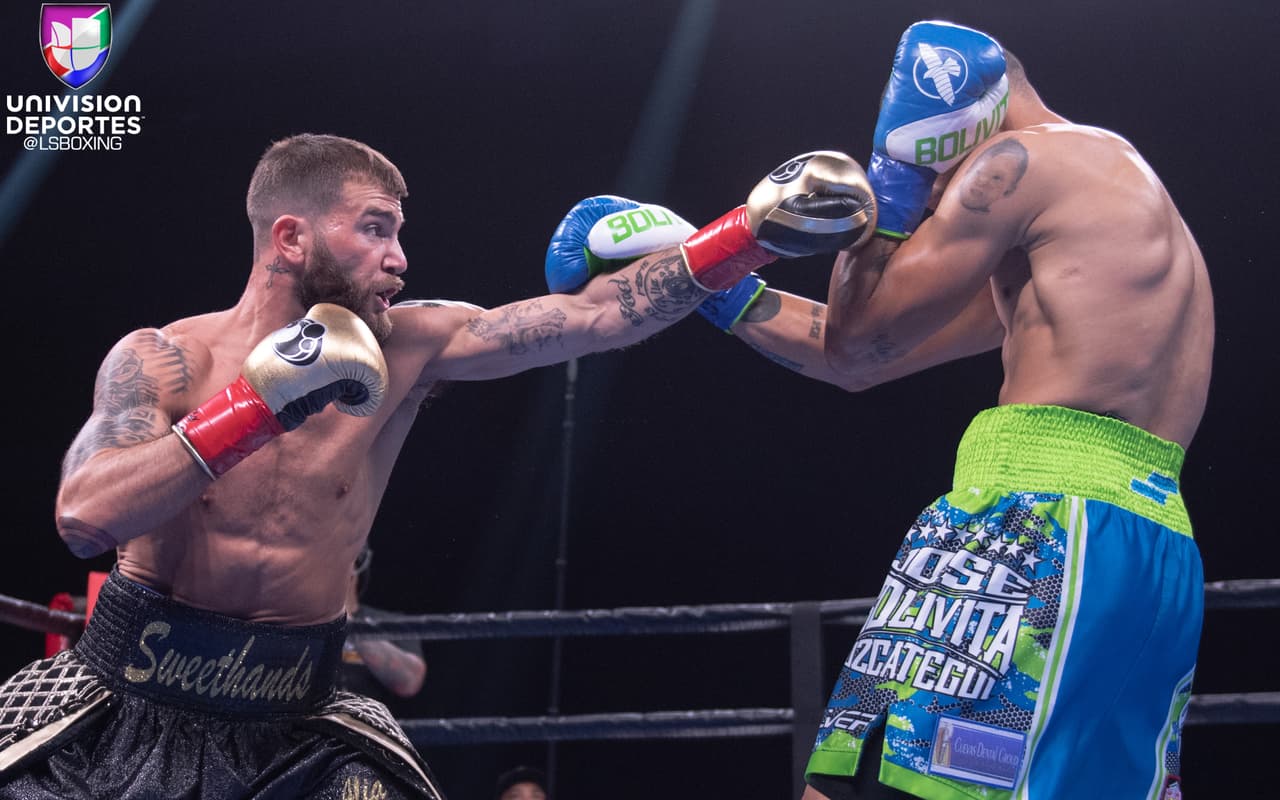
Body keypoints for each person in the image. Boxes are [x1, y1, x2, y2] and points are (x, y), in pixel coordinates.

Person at [0, 133, 874, 799]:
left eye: (399, 233)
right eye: (374, 230)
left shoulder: (414, 343)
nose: (399, 258)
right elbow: (85, 515)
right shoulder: (165, 359)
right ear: (292, 237)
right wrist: (254, 409)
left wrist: (749, 234)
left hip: (299, 719)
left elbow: (601, 316)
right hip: (126, 706)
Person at [552, 19, 1211, 800]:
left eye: (928, 162)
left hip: (1039, 526)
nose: (937, 199)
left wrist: (890, 184)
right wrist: (707, 269)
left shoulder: (1017, 162)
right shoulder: (1104, 202)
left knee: (864, 783)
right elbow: (853, 358)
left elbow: (859, 339)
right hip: (1148, 549)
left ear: (957, 124)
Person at [341, 545, 428, 708]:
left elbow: (409, 682)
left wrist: (345, 621)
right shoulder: (300, 620)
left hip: (368, 727)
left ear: (355, 564)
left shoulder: (389, 623)